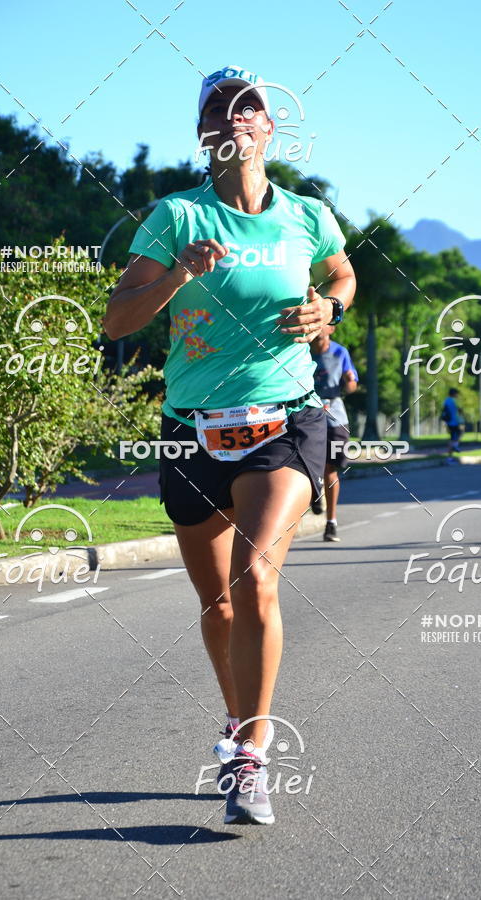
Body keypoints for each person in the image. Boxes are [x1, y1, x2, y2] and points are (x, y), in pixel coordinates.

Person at [103, 64, 356, 825]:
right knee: (215, 603)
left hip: (285, 420)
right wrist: (178, 274)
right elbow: (117, 321)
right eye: (219, 111)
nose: (235, 119)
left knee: (255, 576)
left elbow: (341, 273)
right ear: (204, 133)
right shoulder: (176, 217)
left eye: (249, 109)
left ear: (270, 130)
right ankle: (237, 716)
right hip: (191, 432)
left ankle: (251, 753)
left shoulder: (307, 216)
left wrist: (328, 310)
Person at [310, 326, 359, 541]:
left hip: (335, 416)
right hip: (307, 415)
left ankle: (331, 523)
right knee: (308, 466)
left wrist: (349, 381)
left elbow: (351, 387)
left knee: (331, 469)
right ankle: (314, 489)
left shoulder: (340, 353)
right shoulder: (301, 352)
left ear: (331, 328)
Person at [441, 388, 462, 464]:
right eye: (456, 394)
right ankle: (452, 451)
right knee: (455, 437)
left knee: (454, 437)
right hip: (454, 422)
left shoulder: (446, 400)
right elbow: (459, 410)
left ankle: (454, 449)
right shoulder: (454, 401)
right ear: (454, 394)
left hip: (449, 422)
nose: (457, 395)